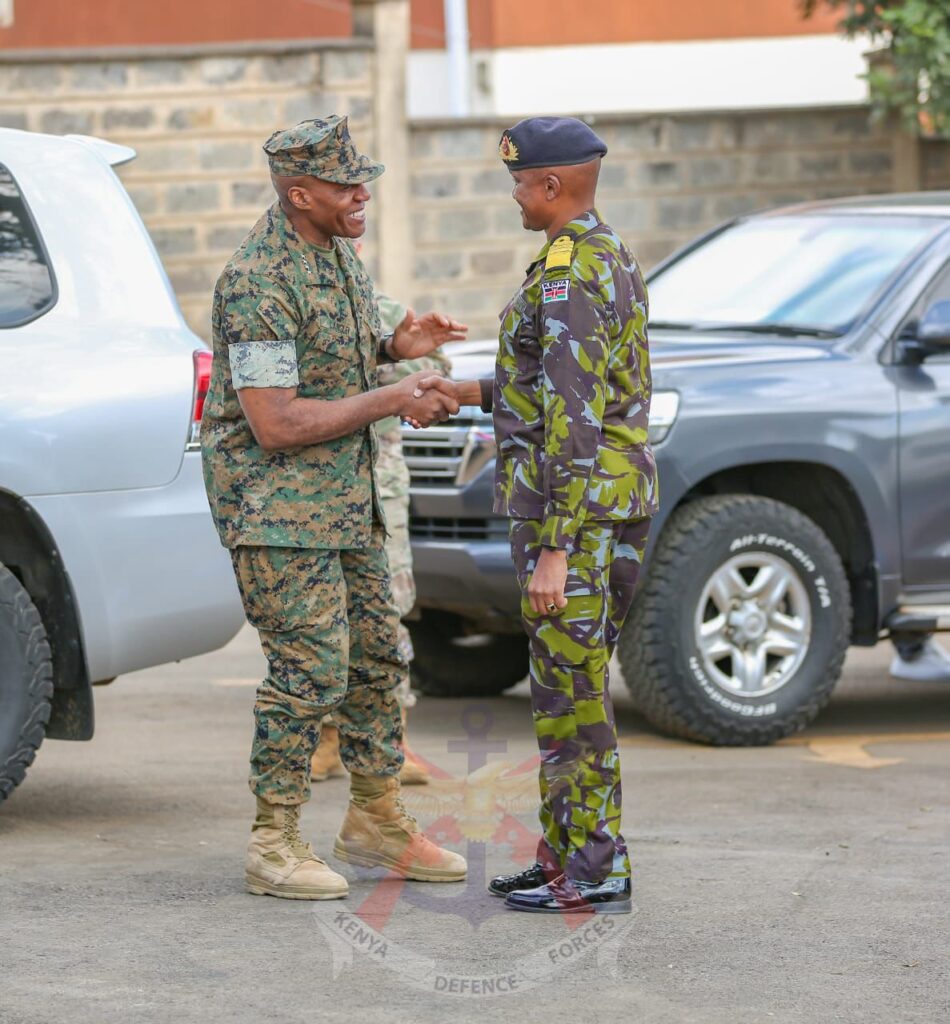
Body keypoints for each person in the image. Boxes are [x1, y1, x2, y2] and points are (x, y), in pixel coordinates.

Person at [200, 115, 467, 901]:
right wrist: (393, 395)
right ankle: (273, 841)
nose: (363, 196)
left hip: (345, 504)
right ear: (299, 192)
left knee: (379, 662)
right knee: (308, 672)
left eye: (363, 181)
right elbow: (276, 421)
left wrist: (398, 347)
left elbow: (334, 359)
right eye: (348, 186)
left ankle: (377, 821)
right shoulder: (257, 282)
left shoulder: (336, 257)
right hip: (277, 512)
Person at [421, 116, 658, 914]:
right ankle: (570, 855)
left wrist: (556, 548)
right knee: (563, 689)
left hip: (580, 521)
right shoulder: (595, 255)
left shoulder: (570, 273)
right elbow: (551, 380)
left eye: (521, 183)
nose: (516, 196)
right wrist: (466, 392)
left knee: (572, 697)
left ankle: (595, 865)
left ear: (552, 185)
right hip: (596, 510)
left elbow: (575, 417)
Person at [311, 293, 451, 787]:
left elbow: (435, 375)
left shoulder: (380, 309)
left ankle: (395, 737)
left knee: (386, 608)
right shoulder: (298, 297)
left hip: (379, 482)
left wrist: (392, 359)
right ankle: (328, 740)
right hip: (318, 483)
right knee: (325, 615)